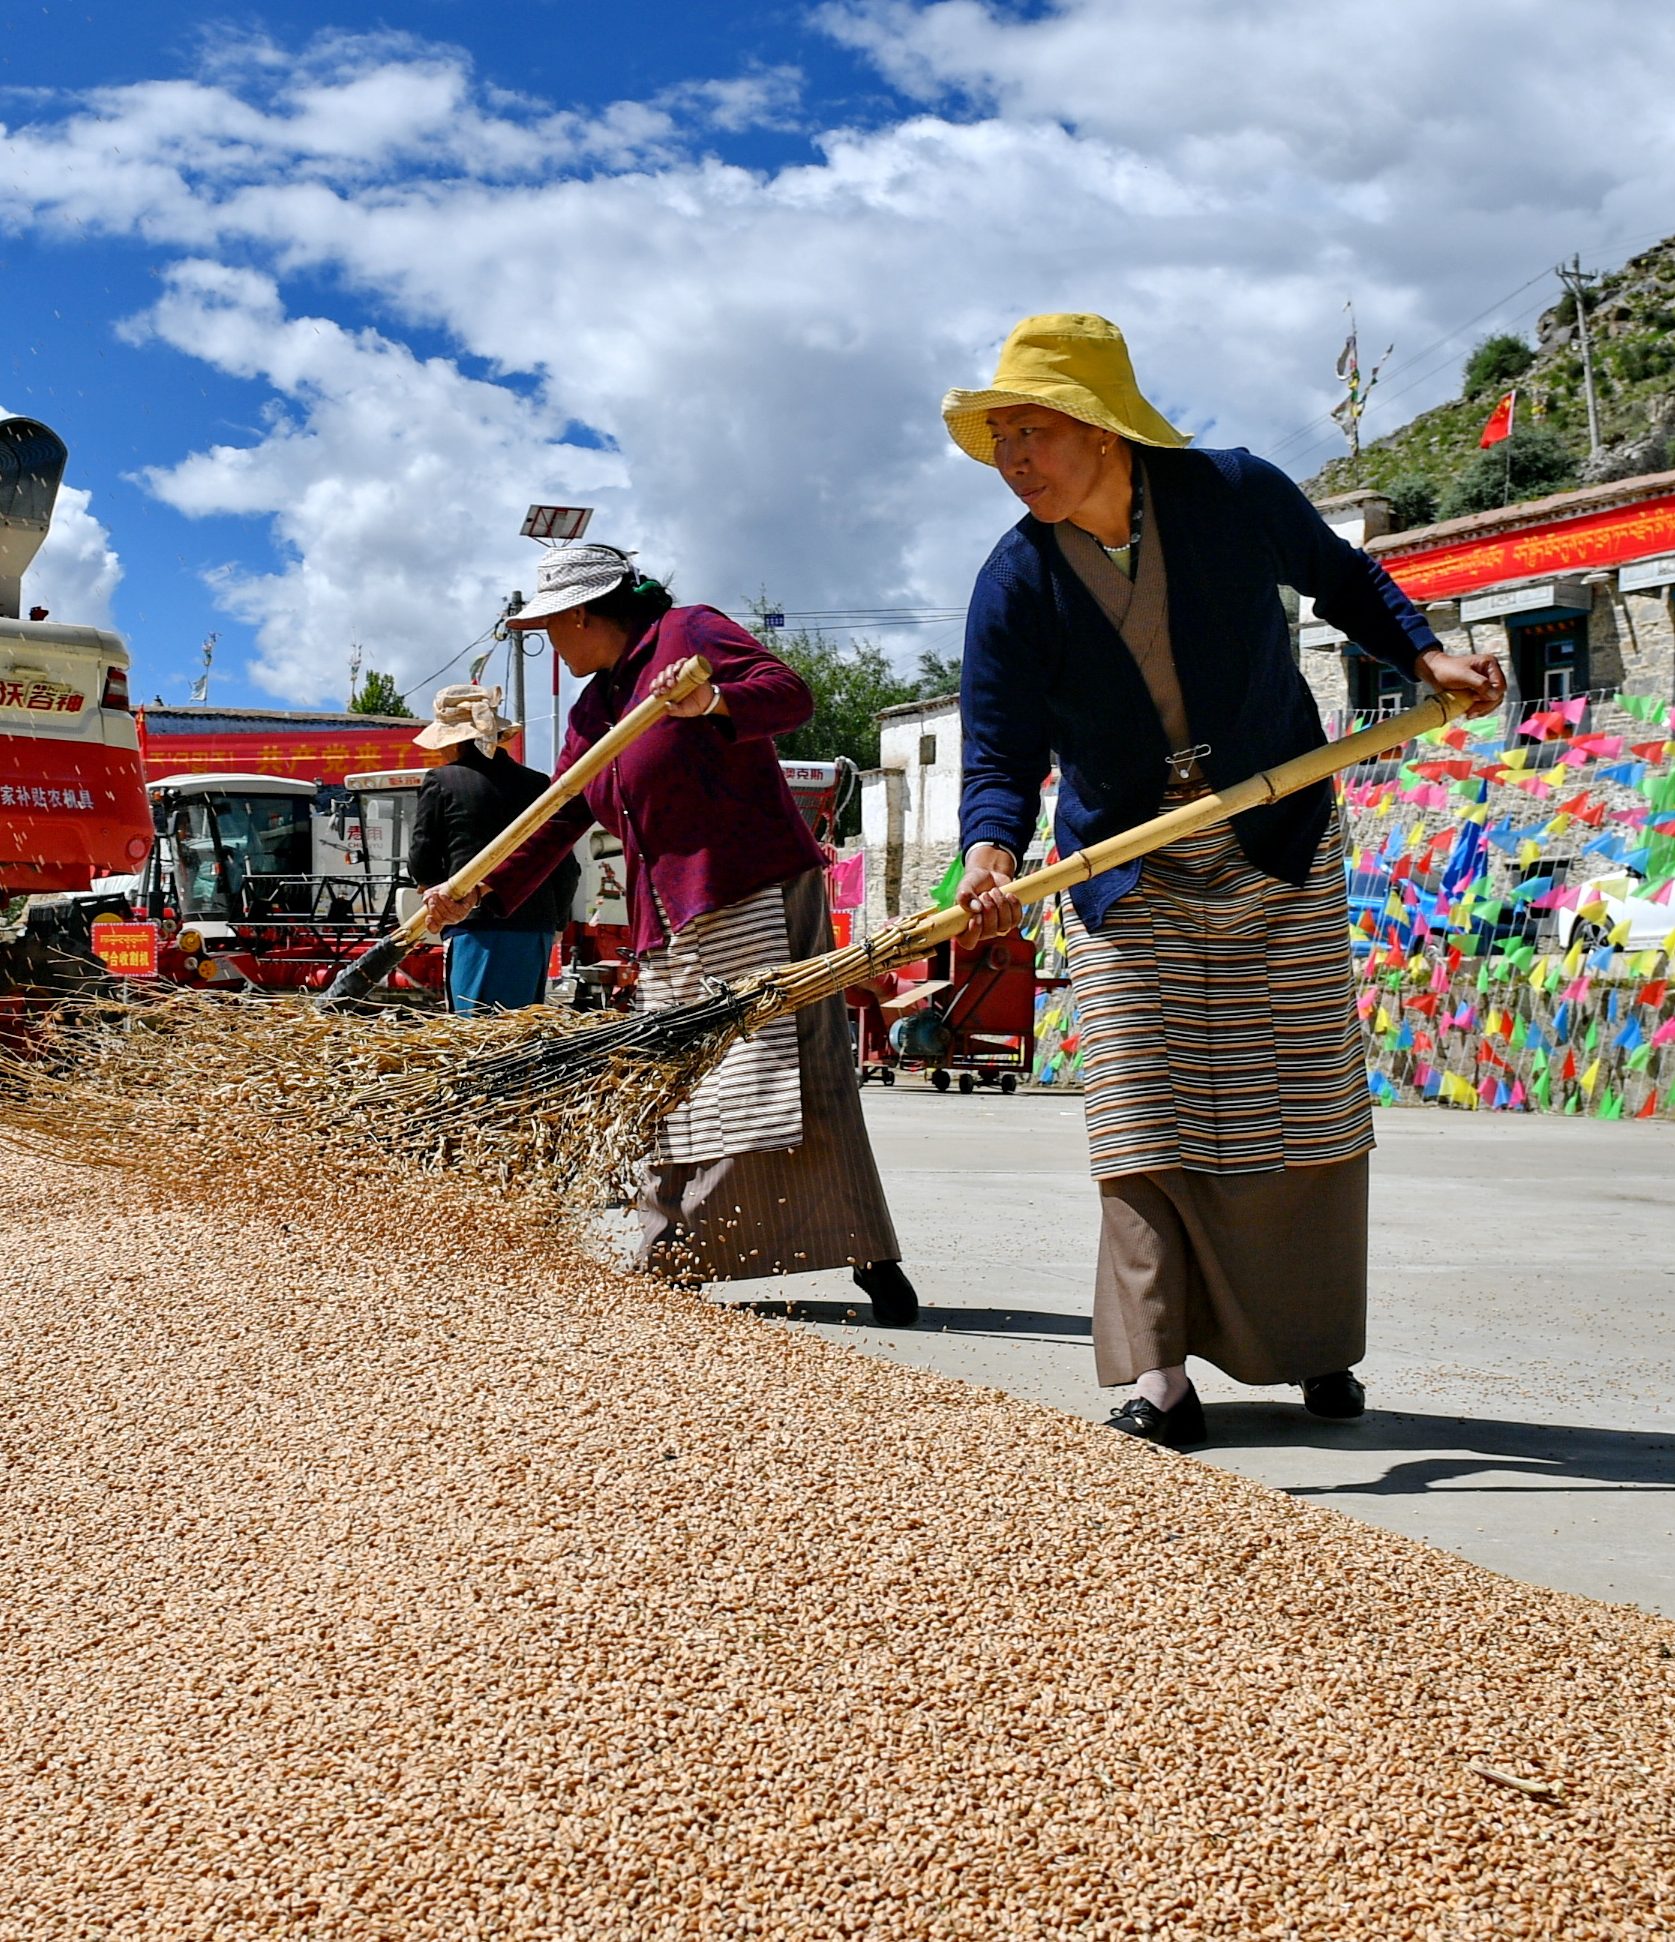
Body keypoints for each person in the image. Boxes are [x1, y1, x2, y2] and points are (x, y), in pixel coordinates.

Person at [943, 311, 1496, 1448]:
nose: (1014, 459)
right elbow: (1000, 751)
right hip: (1127, 870)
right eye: (1001, 437)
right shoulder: (1014, 582)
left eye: (1034, 431)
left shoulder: (1234, 493)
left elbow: (1344, 579)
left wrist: (1425, 653)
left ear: (1104, 429)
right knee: (1142, 1113)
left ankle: (1313, 1345)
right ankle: (1157, 1375)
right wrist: (991, 851)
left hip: (1278, 832)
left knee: (1298, 1101)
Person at [428, 544, 920, 1326]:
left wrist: (713, 703)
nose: (552, 644)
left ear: (585, 613)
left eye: (553, 627)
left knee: (784, 1080)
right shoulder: (594, 711)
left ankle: (854, 1262)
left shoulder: (688, 635)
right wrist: (474, 890)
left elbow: (789, 695)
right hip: (669, 923)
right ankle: (673, 1259)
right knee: (680, 1090)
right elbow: (558, 813)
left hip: (750, 891)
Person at [407, 683, 576, 1014]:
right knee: (525, 1030)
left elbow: (423, 860)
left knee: (478, 1032)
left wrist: (434, 894)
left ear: (453, 742)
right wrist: (556, 924)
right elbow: (565, 866)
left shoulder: (443, 781)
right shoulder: (537, 783)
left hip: (477, 925)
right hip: (535, 927)